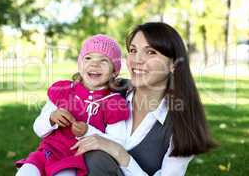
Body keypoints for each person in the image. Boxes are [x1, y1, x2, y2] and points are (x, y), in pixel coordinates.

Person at [71, 22, 217, 176]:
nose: (137, 60)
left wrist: (119, 153)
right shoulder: (108, 89)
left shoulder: (184, 124)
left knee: (97, 158)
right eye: (133, 50)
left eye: (151, 52)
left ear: (173, 64)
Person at [14, 34, 130, 176]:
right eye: (88, 58)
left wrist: (88, 131)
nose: (94, 64)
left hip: (73, 160)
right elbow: (38, 129)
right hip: (47, 153)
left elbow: (119, 142)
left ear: (114, 71)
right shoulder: (63, 91)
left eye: (104, 60)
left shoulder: (113, 102)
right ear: (80, 64)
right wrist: (51, 118)